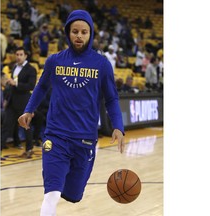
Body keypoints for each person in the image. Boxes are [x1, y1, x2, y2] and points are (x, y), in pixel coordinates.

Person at [18, 10, 125, 215]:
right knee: (52, 193)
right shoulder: (54, 61)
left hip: (84, 139)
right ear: (67, 32)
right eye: (75, 31)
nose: (79, 35)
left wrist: (118, 126)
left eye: (84, 32)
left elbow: (111, 98)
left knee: (74, 195)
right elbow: (41, 87)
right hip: (56, 136)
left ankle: (72, 189)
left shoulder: (102, 64)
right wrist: (29, 110)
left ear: (90, 34)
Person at [1, 47, 37, 155]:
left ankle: (29, 149)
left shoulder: (31, 69)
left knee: (26, 126)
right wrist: (7, 99)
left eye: (21, 54)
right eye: (17, 54)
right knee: (7, 125)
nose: (18, 57)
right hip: (12, 101)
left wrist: (16, 84)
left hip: (23, 102)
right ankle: (0, 146)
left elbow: (31, 86)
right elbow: (12, 86)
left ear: (25, 56)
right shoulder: (14, 67)